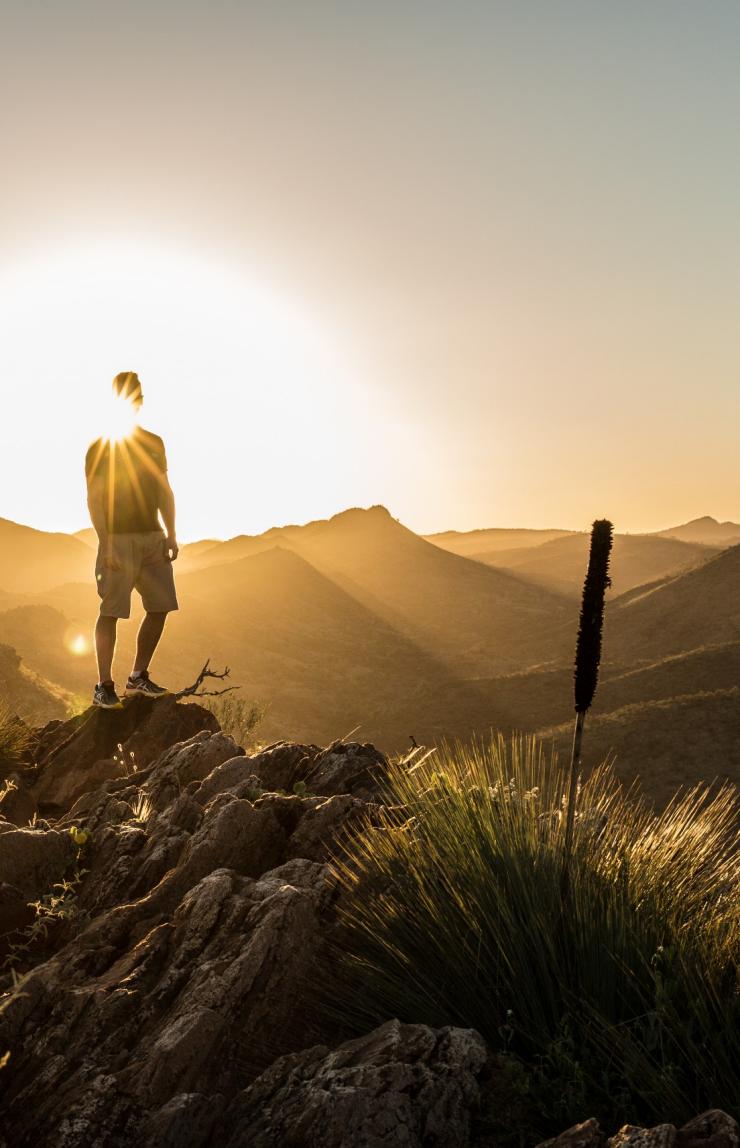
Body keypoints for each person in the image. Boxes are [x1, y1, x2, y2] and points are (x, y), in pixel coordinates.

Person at [85, 371, 179, 709]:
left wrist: (171, 532)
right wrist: (105, 540)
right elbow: (95, 499)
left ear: (139, 401)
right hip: (118, 540)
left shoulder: (154, 443)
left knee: (160, 606)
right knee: (111, 611)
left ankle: (138, 677)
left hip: (153, 537)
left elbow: (164, 491)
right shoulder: (99, 447)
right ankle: (103, 685)